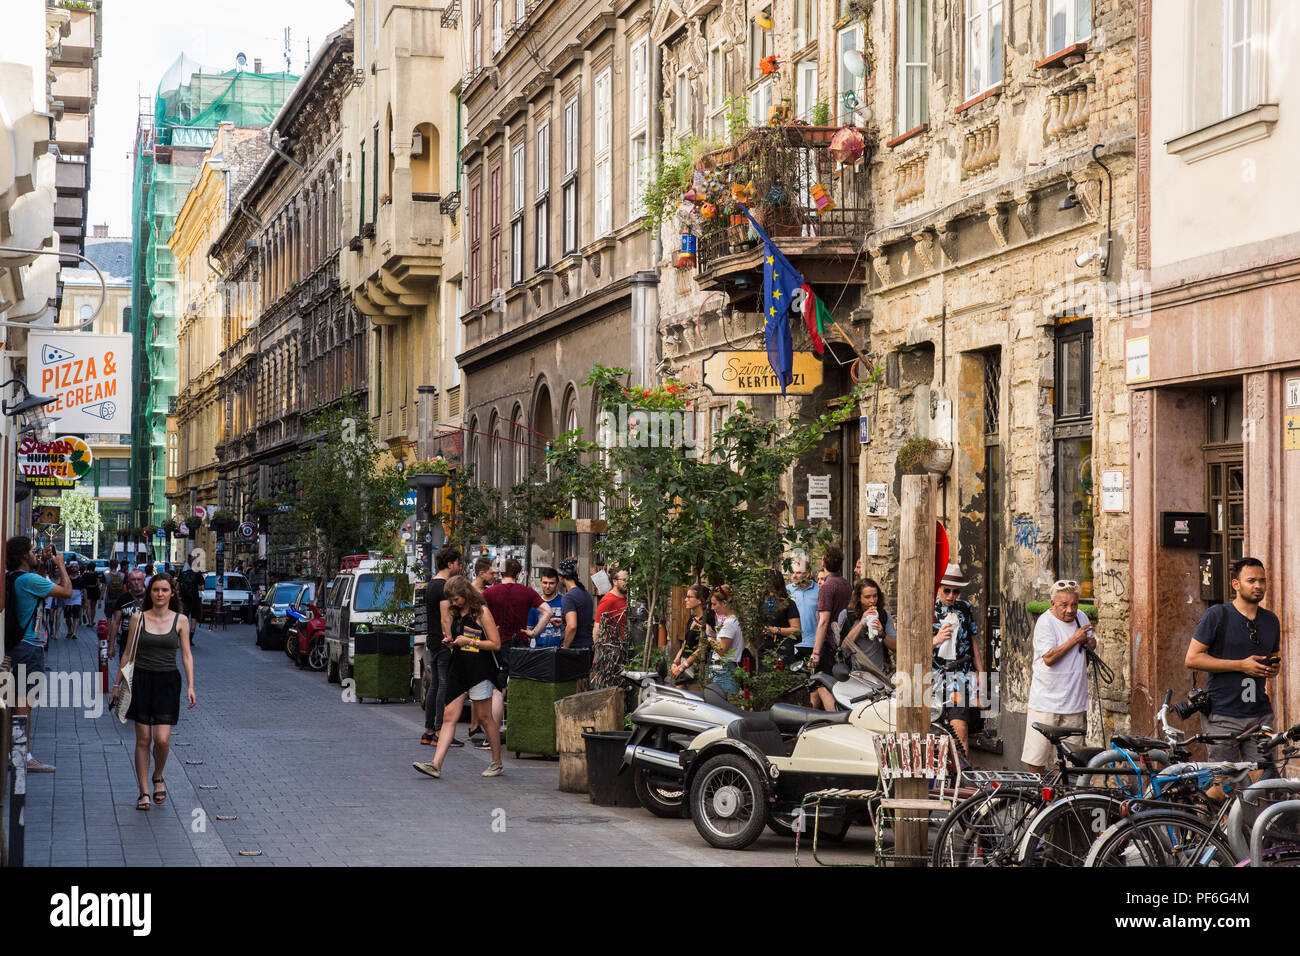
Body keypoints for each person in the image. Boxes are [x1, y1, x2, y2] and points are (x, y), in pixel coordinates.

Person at [110, 573, 196, 811]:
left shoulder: (181, 620)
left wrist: (191, 685)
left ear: (172, 593)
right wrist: (116, 685)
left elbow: (186, 655)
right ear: (150, 593)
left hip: (168, 682)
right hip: (142, 680)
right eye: (156, 590)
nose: (159, 594)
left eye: (164, 590)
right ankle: (144, 791)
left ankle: (158, 775)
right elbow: (127, 654)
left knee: (162, 739)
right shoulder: (139, 618)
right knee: (143, 739)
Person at [1185, 557, 1281, 768]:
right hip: (1222, 713)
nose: (1258, 586)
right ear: (1236, 584)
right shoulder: (1217, 615)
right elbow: (1192, 658)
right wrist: (1241, 665)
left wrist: (1273, 668)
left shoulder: (1271, 620)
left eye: (1262, 581)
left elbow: (1274, 655)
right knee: (1222, 785)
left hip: (1260, 714)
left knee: (1263, 784)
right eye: (1251, 581)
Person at [412, 574, 505, 779]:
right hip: (458, 668)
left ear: (465, 594)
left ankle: (497, 762)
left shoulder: (481, 612)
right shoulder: (456, 613)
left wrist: (470, 643)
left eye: (456, 599)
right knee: (448, 716)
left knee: (485, 717)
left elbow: (495, 644)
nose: (453, 603)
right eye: (451, 600)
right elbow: (460, 639)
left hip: (479, 669)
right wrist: (452, 642)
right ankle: (435, 764)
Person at [4, 538, 73, 773]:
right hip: (29, 648)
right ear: (24, 555)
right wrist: (61, 564)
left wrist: (43, 564)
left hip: (15, 647)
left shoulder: (13, 577)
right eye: (33, 552)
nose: (36, 554)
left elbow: (38, 586)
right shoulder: (29, 580)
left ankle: (15, 752)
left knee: (15, 702)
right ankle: (24, 756)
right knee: (25, 703)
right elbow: (66, 591)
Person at [1022, 580, 1093, 772]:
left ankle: (1058, 796)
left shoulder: (1082, 617)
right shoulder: (1045, 623)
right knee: (1037, 757)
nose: (1070, 610)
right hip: (1046, 702)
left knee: (1070, 760)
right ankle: (1039, 797)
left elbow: (1090, 645)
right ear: (1053, 604)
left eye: (1074, 604)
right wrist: (1074, 640)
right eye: (1064, 605)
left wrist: (1089, 642)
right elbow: (1049, 658)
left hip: (1074, 702)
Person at [482, 558, 548, 740]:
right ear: (519, 574)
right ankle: (521, 733)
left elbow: (475, 613)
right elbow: (548, 612)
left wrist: (488, 629)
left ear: (501, 573)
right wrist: (534, 633)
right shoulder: (527, 592)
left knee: (498, 689)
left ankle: (492, 736)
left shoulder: (490, 593)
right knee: (520, 686)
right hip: (521, 642)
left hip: (498, 642)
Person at [932, 562, 986, 754]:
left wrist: (981, 673)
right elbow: (912, 647)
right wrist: (936, 640)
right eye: (947, 591)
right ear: (938, 587)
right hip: (932, 677)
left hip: (959, 676)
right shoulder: (927, 609)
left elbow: (973, 642)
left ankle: (961, 775)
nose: (951, 596)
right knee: (933, 733)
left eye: (956, 592)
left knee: (959, 729)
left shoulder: (964, 608)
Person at [421, 546, 464, 748]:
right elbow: (445, 616)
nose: (460, 567)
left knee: (436, 684)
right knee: (443, 685)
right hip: (443, 641)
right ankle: (439, 731)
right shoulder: (443, 587)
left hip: (433, 640)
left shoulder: (431, 585)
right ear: (450, 564)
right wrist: (450, 639)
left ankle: (429, 731)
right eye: (458, 563)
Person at [810, 545, 852, 710]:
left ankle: (834, 719)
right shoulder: (846, 584)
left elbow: (823, 621)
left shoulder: (827, 586)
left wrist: (816, 652)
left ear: (823, 563)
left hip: (828, 643)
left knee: (822, 683)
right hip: (842, 641)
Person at [837, 578, 897, 674]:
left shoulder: (884, 615)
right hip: (855, 673)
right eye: (867, 597)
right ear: (859, 598)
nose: (872, 601)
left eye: (875, 596)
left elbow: (895, 646)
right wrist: (861, 623)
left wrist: (882, 634)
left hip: (878, 673)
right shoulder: (847, 616)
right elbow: (844, 646)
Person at [670, 584, 713, 686]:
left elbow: (701, 649)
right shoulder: (691, 619)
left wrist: (682, 666)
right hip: (683, 665)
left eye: (689, 597)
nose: (685, 599)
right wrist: (675, 662)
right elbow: (685, 644)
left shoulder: (707, 621)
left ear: (699, 601)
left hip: (695, 668)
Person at [708, 585, 745, 694]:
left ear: (724, 603)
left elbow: (722, 650)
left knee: (722, 706)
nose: (712, 608)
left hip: (725, 670)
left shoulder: (730, 623)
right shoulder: (732, 620)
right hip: (722, 669)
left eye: (714, 604)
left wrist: (708, 636)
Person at [761, 569, 801, 658]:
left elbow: (797, 630)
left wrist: (776, 630)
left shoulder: (788, 603)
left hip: (782, 649)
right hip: (763, 650)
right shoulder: (760, 602)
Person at [109, 569, 148, 660]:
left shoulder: (151, 597)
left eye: (139, 579)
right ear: (129, 582)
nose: (136, 582)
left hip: (146, 644)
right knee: (125, 672)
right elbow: (116, 623)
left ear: (144, 580)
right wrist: (111, 646)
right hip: (126, 643)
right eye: (133, 579)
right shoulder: (123, 599)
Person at [786, 561, 820, 660]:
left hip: (813, 644)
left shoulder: (819, 590)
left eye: (798, 573)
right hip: (792, 642)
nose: (794, 576)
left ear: (807, 574)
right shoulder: (787, 591)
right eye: (793, 572)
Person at [558, 557, 594, 649]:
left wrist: (565, 648)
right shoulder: (586, 594)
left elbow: (572, 625)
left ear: (560, 577)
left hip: (575, 649)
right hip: (588, 646)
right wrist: (563, 621)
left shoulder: (568, 597)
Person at [526, 567, 565, 648]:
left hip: (561, 650)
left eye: (551, 583)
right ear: (540, 582)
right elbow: (529, 630)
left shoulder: (564, 601)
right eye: (545, 582)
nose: (547, 586)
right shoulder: (534, 604)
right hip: (540, 651)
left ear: (557, 583)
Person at [593, 567, 629, 643]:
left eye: (628, 580)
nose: (627, 582)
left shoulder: (626, 598)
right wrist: (596, 651)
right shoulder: (608, 600)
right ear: (615, 581)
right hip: (613, 649)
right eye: (624, 580)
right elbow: (597, 627)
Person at [178, 554, 203, 635]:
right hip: (195, 599)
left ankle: (184, 635)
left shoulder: (183, 573)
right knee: (193, 618)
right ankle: (191, 637)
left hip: (184, 600)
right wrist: (195, 587)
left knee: (184, 618)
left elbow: (178, 587)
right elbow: (202, 588)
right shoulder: (198, 573)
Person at [61, 562, 84, 639]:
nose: (74, 568)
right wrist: (63, 600)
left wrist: (86, 602)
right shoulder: (67, 578)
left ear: (78, 569)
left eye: (76, 567)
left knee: (76, 615)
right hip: (68, 598)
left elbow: (84, 590)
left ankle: (74, 633)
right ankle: (69, 630)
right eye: (73, 567)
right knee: (67, 617)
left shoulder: (81, 579)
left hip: (77, 599)